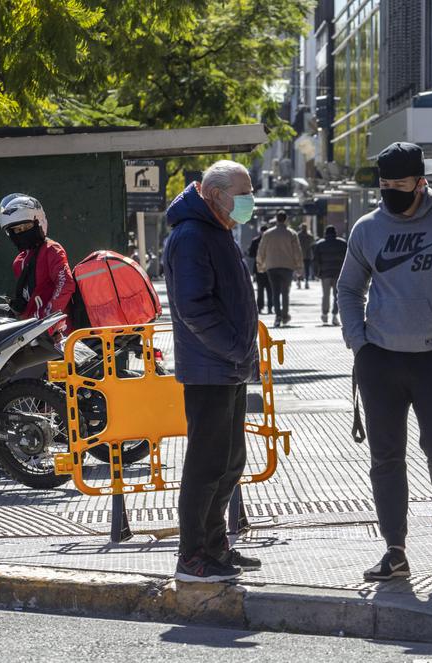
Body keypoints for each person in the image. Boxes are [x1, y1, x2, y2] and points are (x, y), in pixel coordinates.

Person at [338, 141, 432, 582]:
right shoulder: (367, 228)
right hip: (379, 359)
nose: (390, 193)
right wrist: (358, 343)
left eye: (398, 185)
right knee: (386, 458)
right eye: (384, 185)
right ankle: (395, 550)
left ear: (422, 182)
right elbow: (349, 288)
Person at [163, 159, 260, 583]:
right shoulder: (192, 236)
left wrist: (241, 355)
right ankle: (193, 556)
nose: (249, 202)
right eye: (243, 194)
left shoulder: (218, 231)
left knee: (230, 461)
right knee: (206, 465)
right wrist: (237, 348)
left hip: (228, 367)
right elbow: (194, 308)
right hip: (211, 369)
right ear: (215, 195)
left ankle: (216, 545)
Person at [0, 194, 75, 338]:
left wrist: (49, 319)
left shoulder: (52, 249)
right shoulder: (19, 261)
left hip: (56, 334)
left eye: (26, 226)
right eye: (17, 230)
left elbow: (66, 284)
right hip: (32, 333)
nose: (22, 232)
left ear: (38, 222)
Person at [256, 210, 304, 327]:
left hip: (272, 266)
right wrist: (299, 268)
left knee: (275, 292)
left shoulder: (268, 234)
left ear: (276, 219)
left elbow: (261, 250)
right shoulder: (292, 234)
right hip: (287, 266)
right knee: (285, 292)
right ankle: (285, 315)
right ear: (286, 219)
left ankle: (277, 316)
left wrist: (260, 265)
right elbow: (297, 252)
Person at [312, 225, 347, 326]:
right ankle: (335, 315)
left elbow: (315, 260)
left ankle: (324, 314)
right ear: (335, 233)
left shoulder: (320, 244)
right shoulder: (342, 243)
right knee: (337, 295)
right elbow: (347, 258)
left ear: (325, 233)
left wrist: (316, 273)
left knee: (325, 295)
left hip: (325, 273)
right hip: (338, 273)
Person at [248, 224, 273, 314]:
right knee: (269, 289)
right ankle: (269, 307)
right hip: (269, 267)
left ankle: (261, 307)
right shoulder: (271, 241)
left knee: (261, 289)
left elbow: (251, 254)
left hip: (259, 267)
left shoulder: (255, 241)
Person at [298, 224, 316, 289]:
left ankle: (301, 281)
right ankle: (305, 282)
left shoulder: (298, 236)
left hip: (301, 255)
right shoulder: (309, 236)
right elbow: (313, 244)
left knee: (300, 269)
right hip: (307, 255)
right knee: (306, 269)